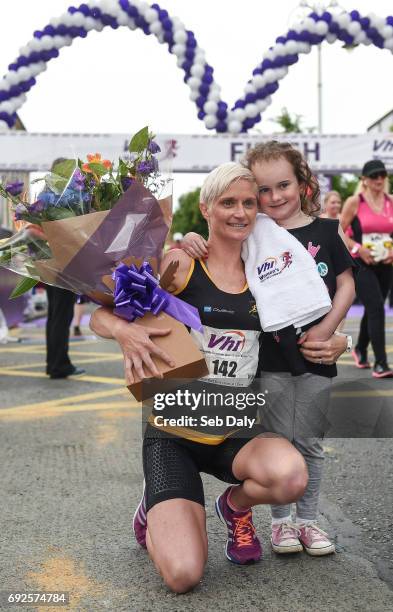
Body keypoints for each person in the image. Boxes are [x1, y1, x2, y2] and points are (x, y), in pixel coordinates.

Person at [90, 163, 308, 592]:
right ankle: (153, 509)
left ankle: (233, 505)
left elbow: (309, 324)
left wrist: (332, 341)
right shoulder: (181, 264)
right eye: (228, 203)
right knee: (184, 575)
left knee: (290, 477)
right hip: (174, 431)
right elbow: (101, 312)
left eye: (248, 202)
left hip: (237, 426)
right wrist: (125, 332)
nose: (240, 212)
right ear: (206, 208)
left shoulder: (269, 275)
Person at [182, 141, 354, 557]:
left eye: (284, 186)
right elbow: (213, 243)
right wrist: (189, 237)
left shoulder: (327, 231)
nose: (275, 197)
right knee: (277, 440)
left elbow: (347, 284)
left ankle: (308, 522)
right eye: (264, 189)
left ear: (303, 183)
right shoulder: (250, 234)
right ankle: (280, 525)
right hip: (269, 360)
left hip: (314, 356)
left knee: (310, 442)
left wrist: (330, 333)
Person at [341, 159, 393, 378]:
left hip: (387, 265)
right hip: (363, 265)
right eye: (373, 176)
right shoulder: (355, 202)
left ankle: (360, 348)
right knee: (376, 310)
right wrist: (358, 249)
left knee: (374, 308)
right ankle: (380, 363)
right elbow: (339, 232)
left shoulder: (391, 202)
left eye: (382, 175)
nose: (379, 179)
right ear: (364, 180)